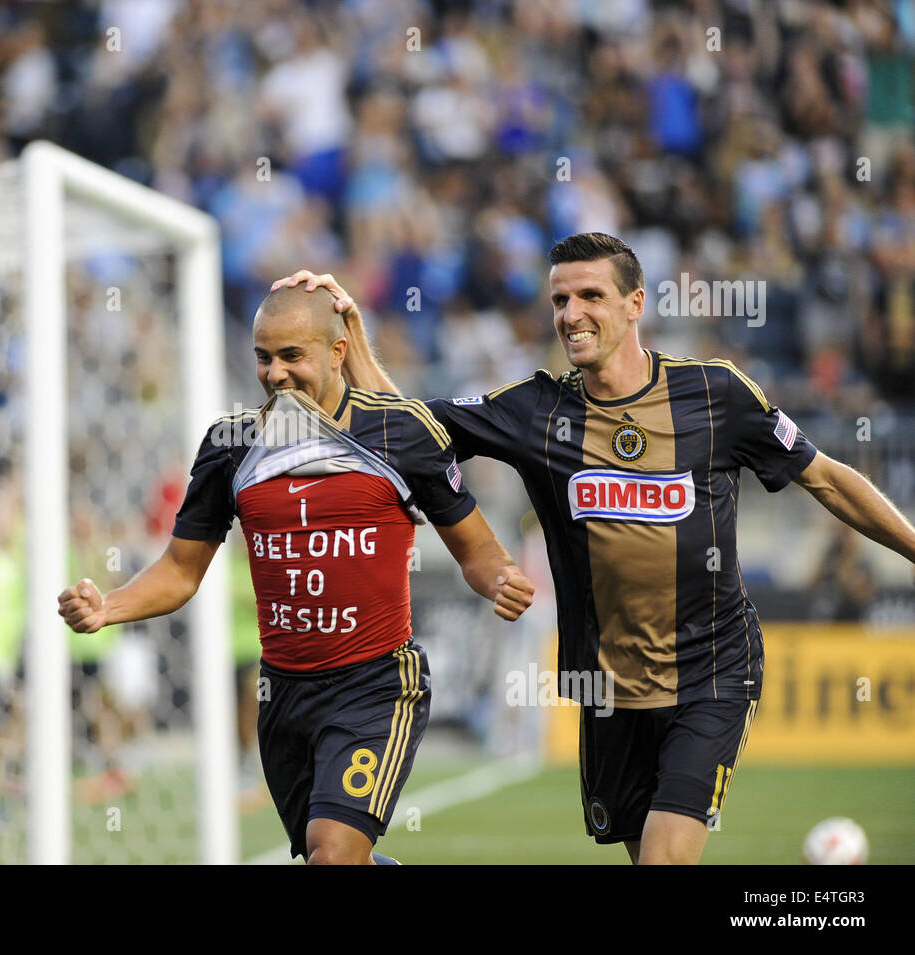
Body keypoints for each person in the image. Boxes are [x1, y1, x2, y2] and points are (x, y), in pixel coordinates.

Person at [273, 232, 915, 865]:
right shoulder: (535, 410)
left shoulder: (716, 394)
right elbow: (408, 432)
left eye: (590, 296)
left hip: (711, 673)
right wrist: (352, 339)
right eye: (559, 300)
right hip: (607, 687)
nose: (571, 314)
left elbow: (826, 476)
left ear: (635, 303)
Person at [59, 283, 535, 865]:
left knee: (332, 852)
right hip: (282, 694)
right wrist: (110, 607)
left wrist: (500, 580)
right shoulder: (232, 446)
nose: (276, 373)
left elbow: (477, 550)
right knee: (324, 860)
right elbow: (181, 570)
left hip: (377, 685)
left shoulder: (400, 432)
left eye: (292, 356)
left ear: (337, 354)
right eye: (264, 357)